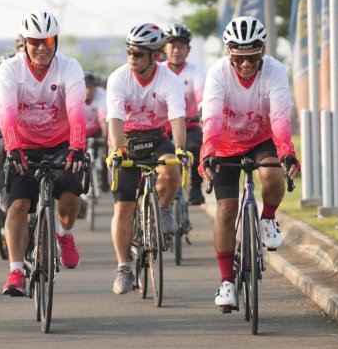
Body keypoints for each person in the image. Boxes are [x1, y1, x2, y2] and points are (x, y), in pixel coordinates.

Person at [199, 16, 300, 309]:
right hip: (225, 144)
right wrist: (208, 153)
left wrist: (287, 151)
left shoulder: (275, 71)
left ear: (262, 51)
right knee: (226, 211)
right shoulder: (217, 73)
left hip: (261, 139)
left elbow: (280, 116)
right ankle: (226, 282)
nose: (246, 64)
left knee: (271, 175)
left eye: (253, 56)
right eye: (239, 57)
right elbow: (212, 119)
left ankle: (267, 217)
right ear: (230, 53)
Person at [0, 10, 86, 296]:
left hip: (61, 144)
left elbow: (76, 109)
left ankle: (64, 235)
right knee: (19, 206)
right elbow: (6, 111)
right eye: (35, 41)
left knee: (71, 196)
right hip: (22, 146)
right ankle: (16, 271)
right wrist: (12, 148)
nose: (42, 47)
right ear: (24, 42)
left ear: (55, 41)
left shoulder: (69, 67)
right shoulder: (10, 69)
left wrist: (77, 147)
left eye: (47, 40)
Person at [104, 23, 188, 295]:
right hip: (126, 140)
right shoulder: (118, 78)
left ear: (154, 56)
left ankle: (162, 208)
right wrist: (116, 150)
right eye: (129, 52)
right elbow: (115, 118)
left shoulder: (169, 80)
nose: (132, 58)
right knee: (123, 209)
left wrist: (181, 149)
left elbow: (176, 118)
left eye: (138, 54)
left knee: (171, 170)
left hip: (155, 137)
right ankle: (123, 267)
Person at [163, 23, 208, 205]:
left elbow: (202, 96)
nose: (176, 51)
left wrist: (203, 112)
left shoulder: (195, 72)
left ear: (188, 50)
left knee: (197, 148)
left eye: (181, 47)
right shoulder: (159, 71)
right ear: (165, 48)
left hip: (189, 125)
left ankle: (196, 188)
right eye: (173, 46)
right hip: (162, 128)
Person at [83, 70, 110, 192]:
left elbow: (103, 118)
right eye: (85, 87)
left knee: (104, 154)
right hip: (81, 131)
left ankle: (104, 181)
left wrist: (105, 139)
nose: (88, 91)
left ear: (95, 87)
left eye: (91, 87)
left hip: (97, 130)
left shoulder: (101, 94)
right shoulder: (75, 94)